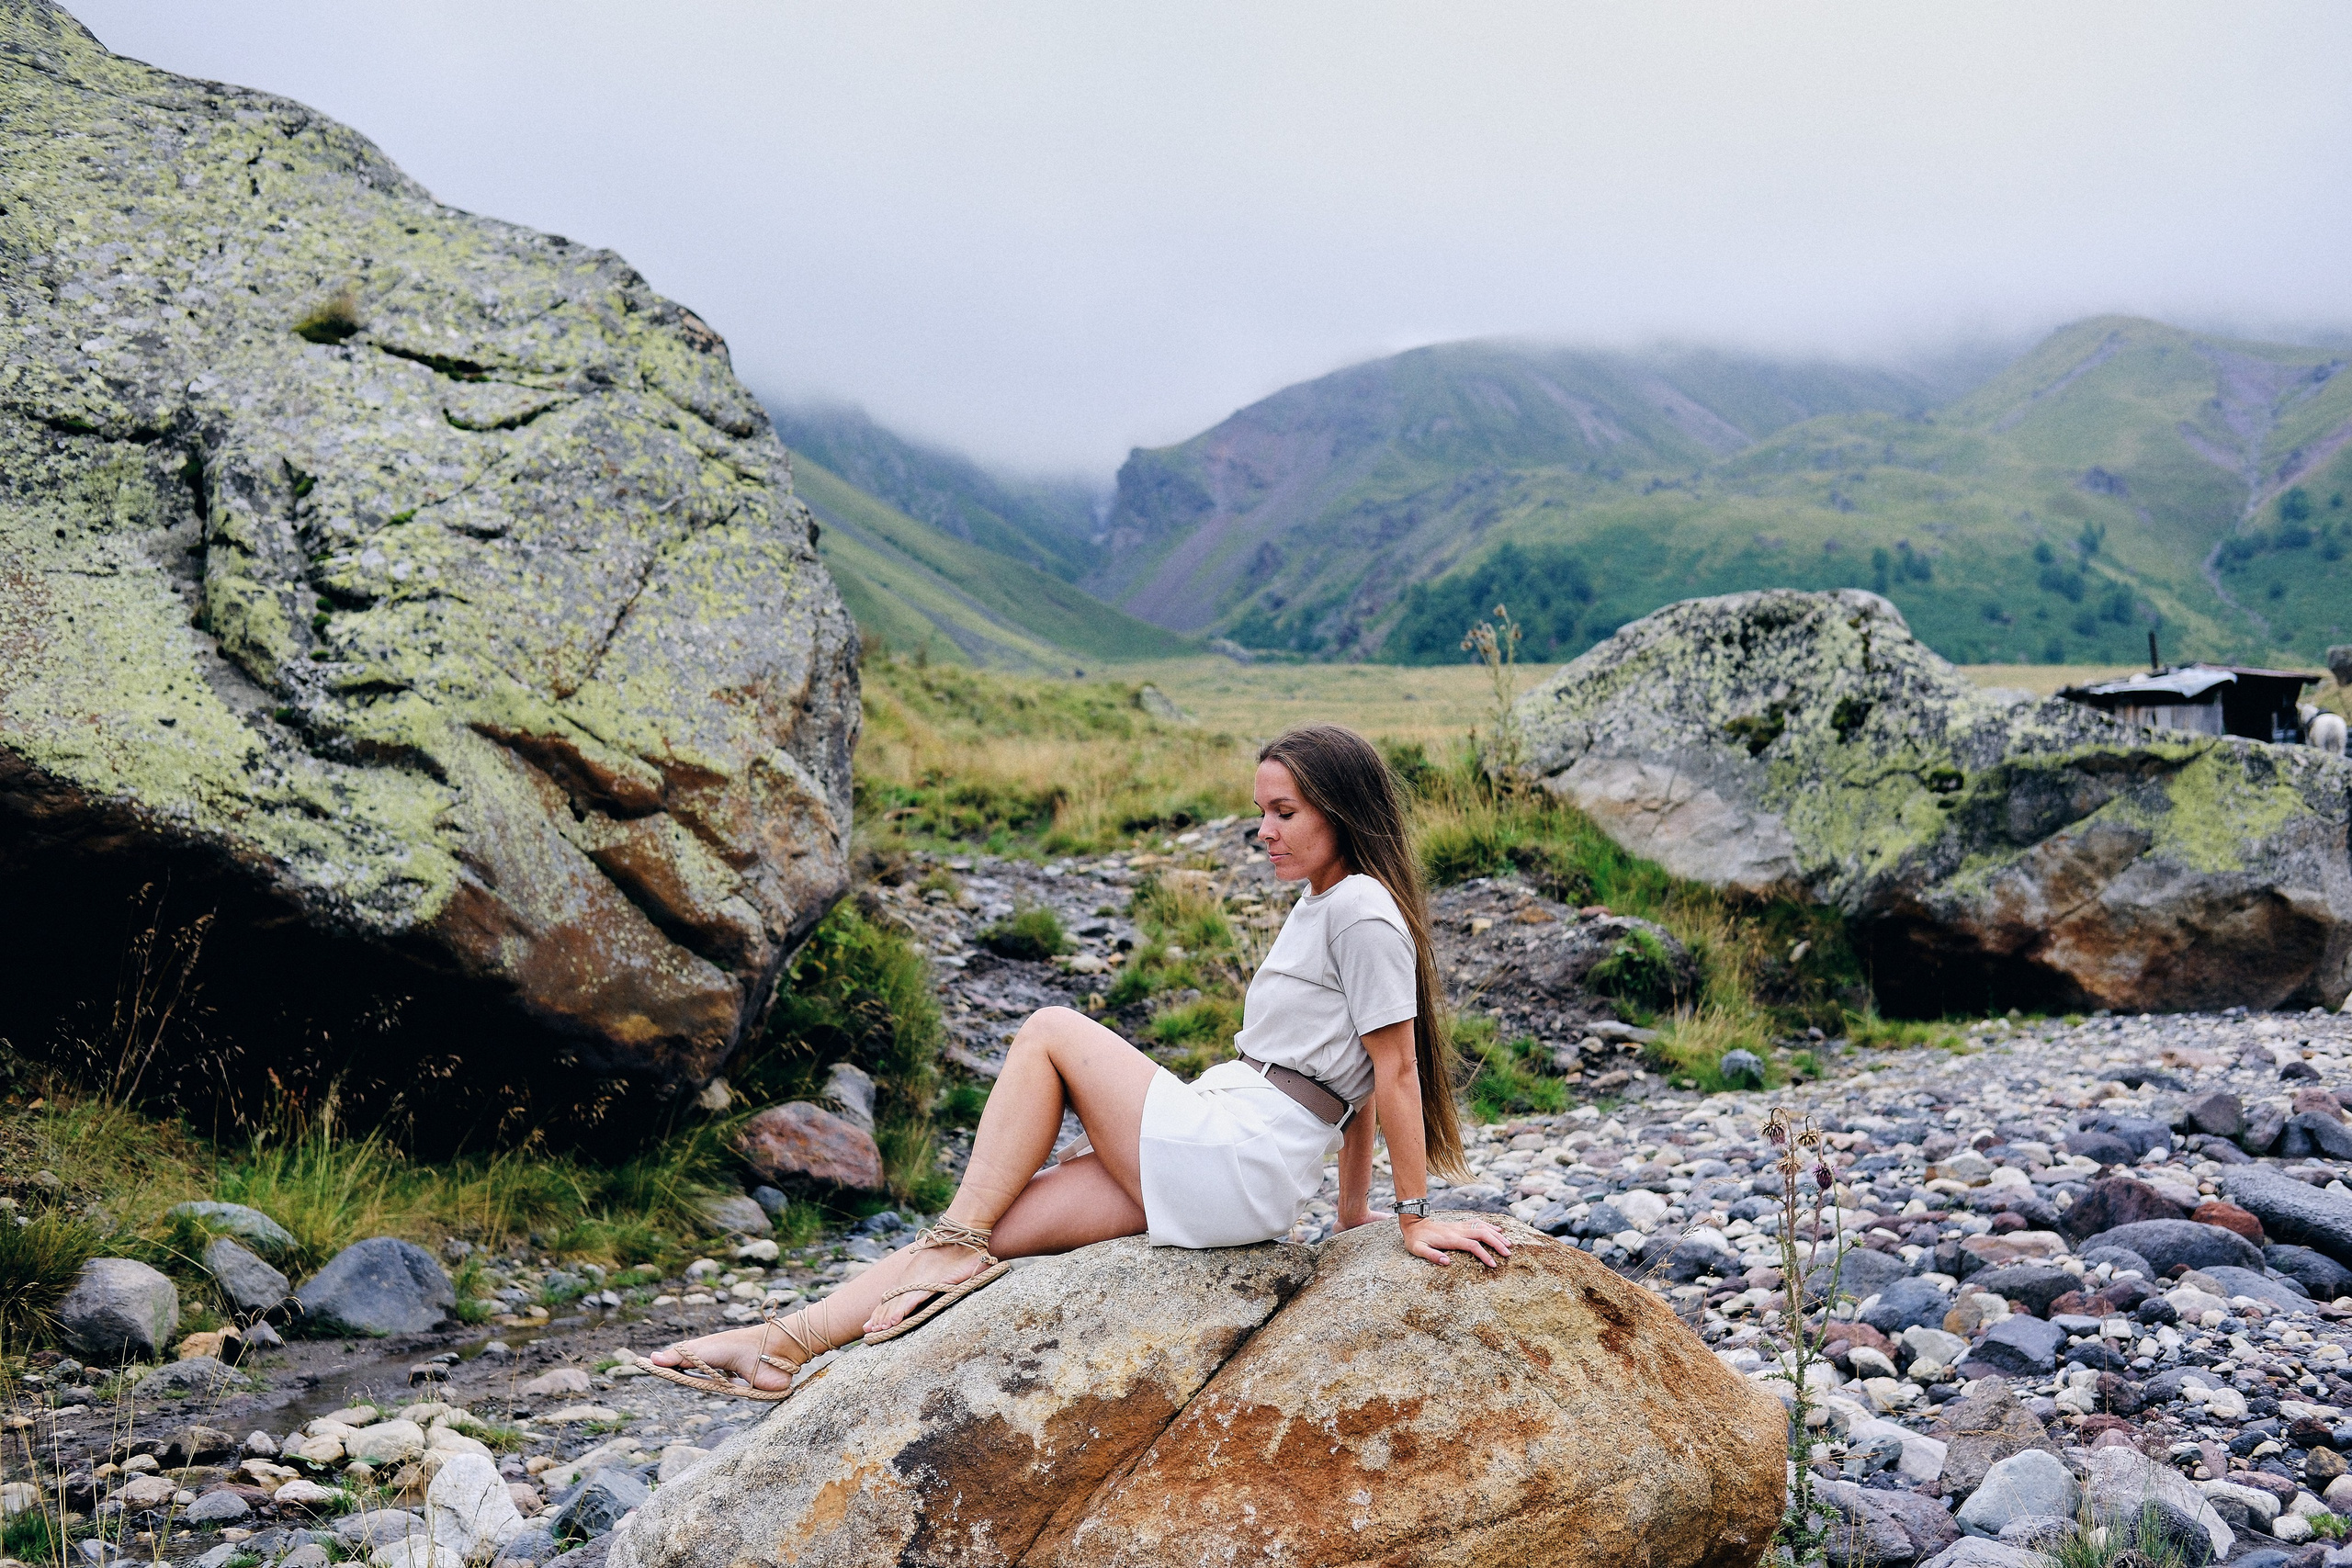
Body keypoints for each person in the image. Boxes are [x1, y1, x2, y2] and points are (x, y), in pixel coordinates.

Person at [648, 723, 1512, 1401]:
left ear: (1343, 810)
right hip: (1222, 1152)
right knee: (998, 1220)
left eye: (1284, 812)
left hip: (1234, 1156)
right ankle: (779, 1344)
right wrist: (1349, 1211)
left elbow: (1393, 1074)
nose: (1263, 831)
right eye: (1262, 811)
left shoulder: (1360, 910)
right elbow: (1356, 1087)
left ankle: (952, 1243)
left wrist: (1408, 1216)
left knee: (1051, 1029)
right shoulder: (1324, 903)